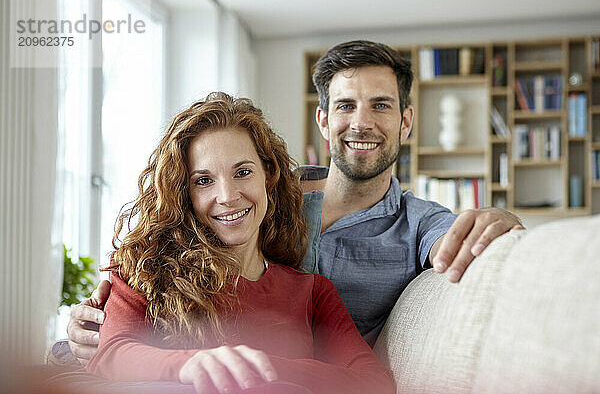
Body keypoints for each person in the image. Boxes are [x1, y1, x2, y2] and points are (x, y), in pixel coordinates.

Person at [64, 40, 523, 362]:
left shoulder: (418, 224)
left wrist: (501, 221)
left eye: (380, 105)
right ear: (323, 120)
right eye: (346, 106)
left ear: (406, 120)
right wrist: (89, 328)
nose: (361, 123)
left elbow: (460, 236)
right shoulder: (257, 188)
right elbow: (160, 245)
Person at [75, 92, 395, 394]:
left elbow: (373, 383)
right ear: (183, 192)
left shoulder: (313, 291)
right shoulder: (146, 267)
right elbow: (111, 353)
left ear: (268, 175)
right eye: (203, 181)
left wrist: (261, 366)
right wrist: (190, 363)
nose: (227, 196)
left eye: (242, 172)